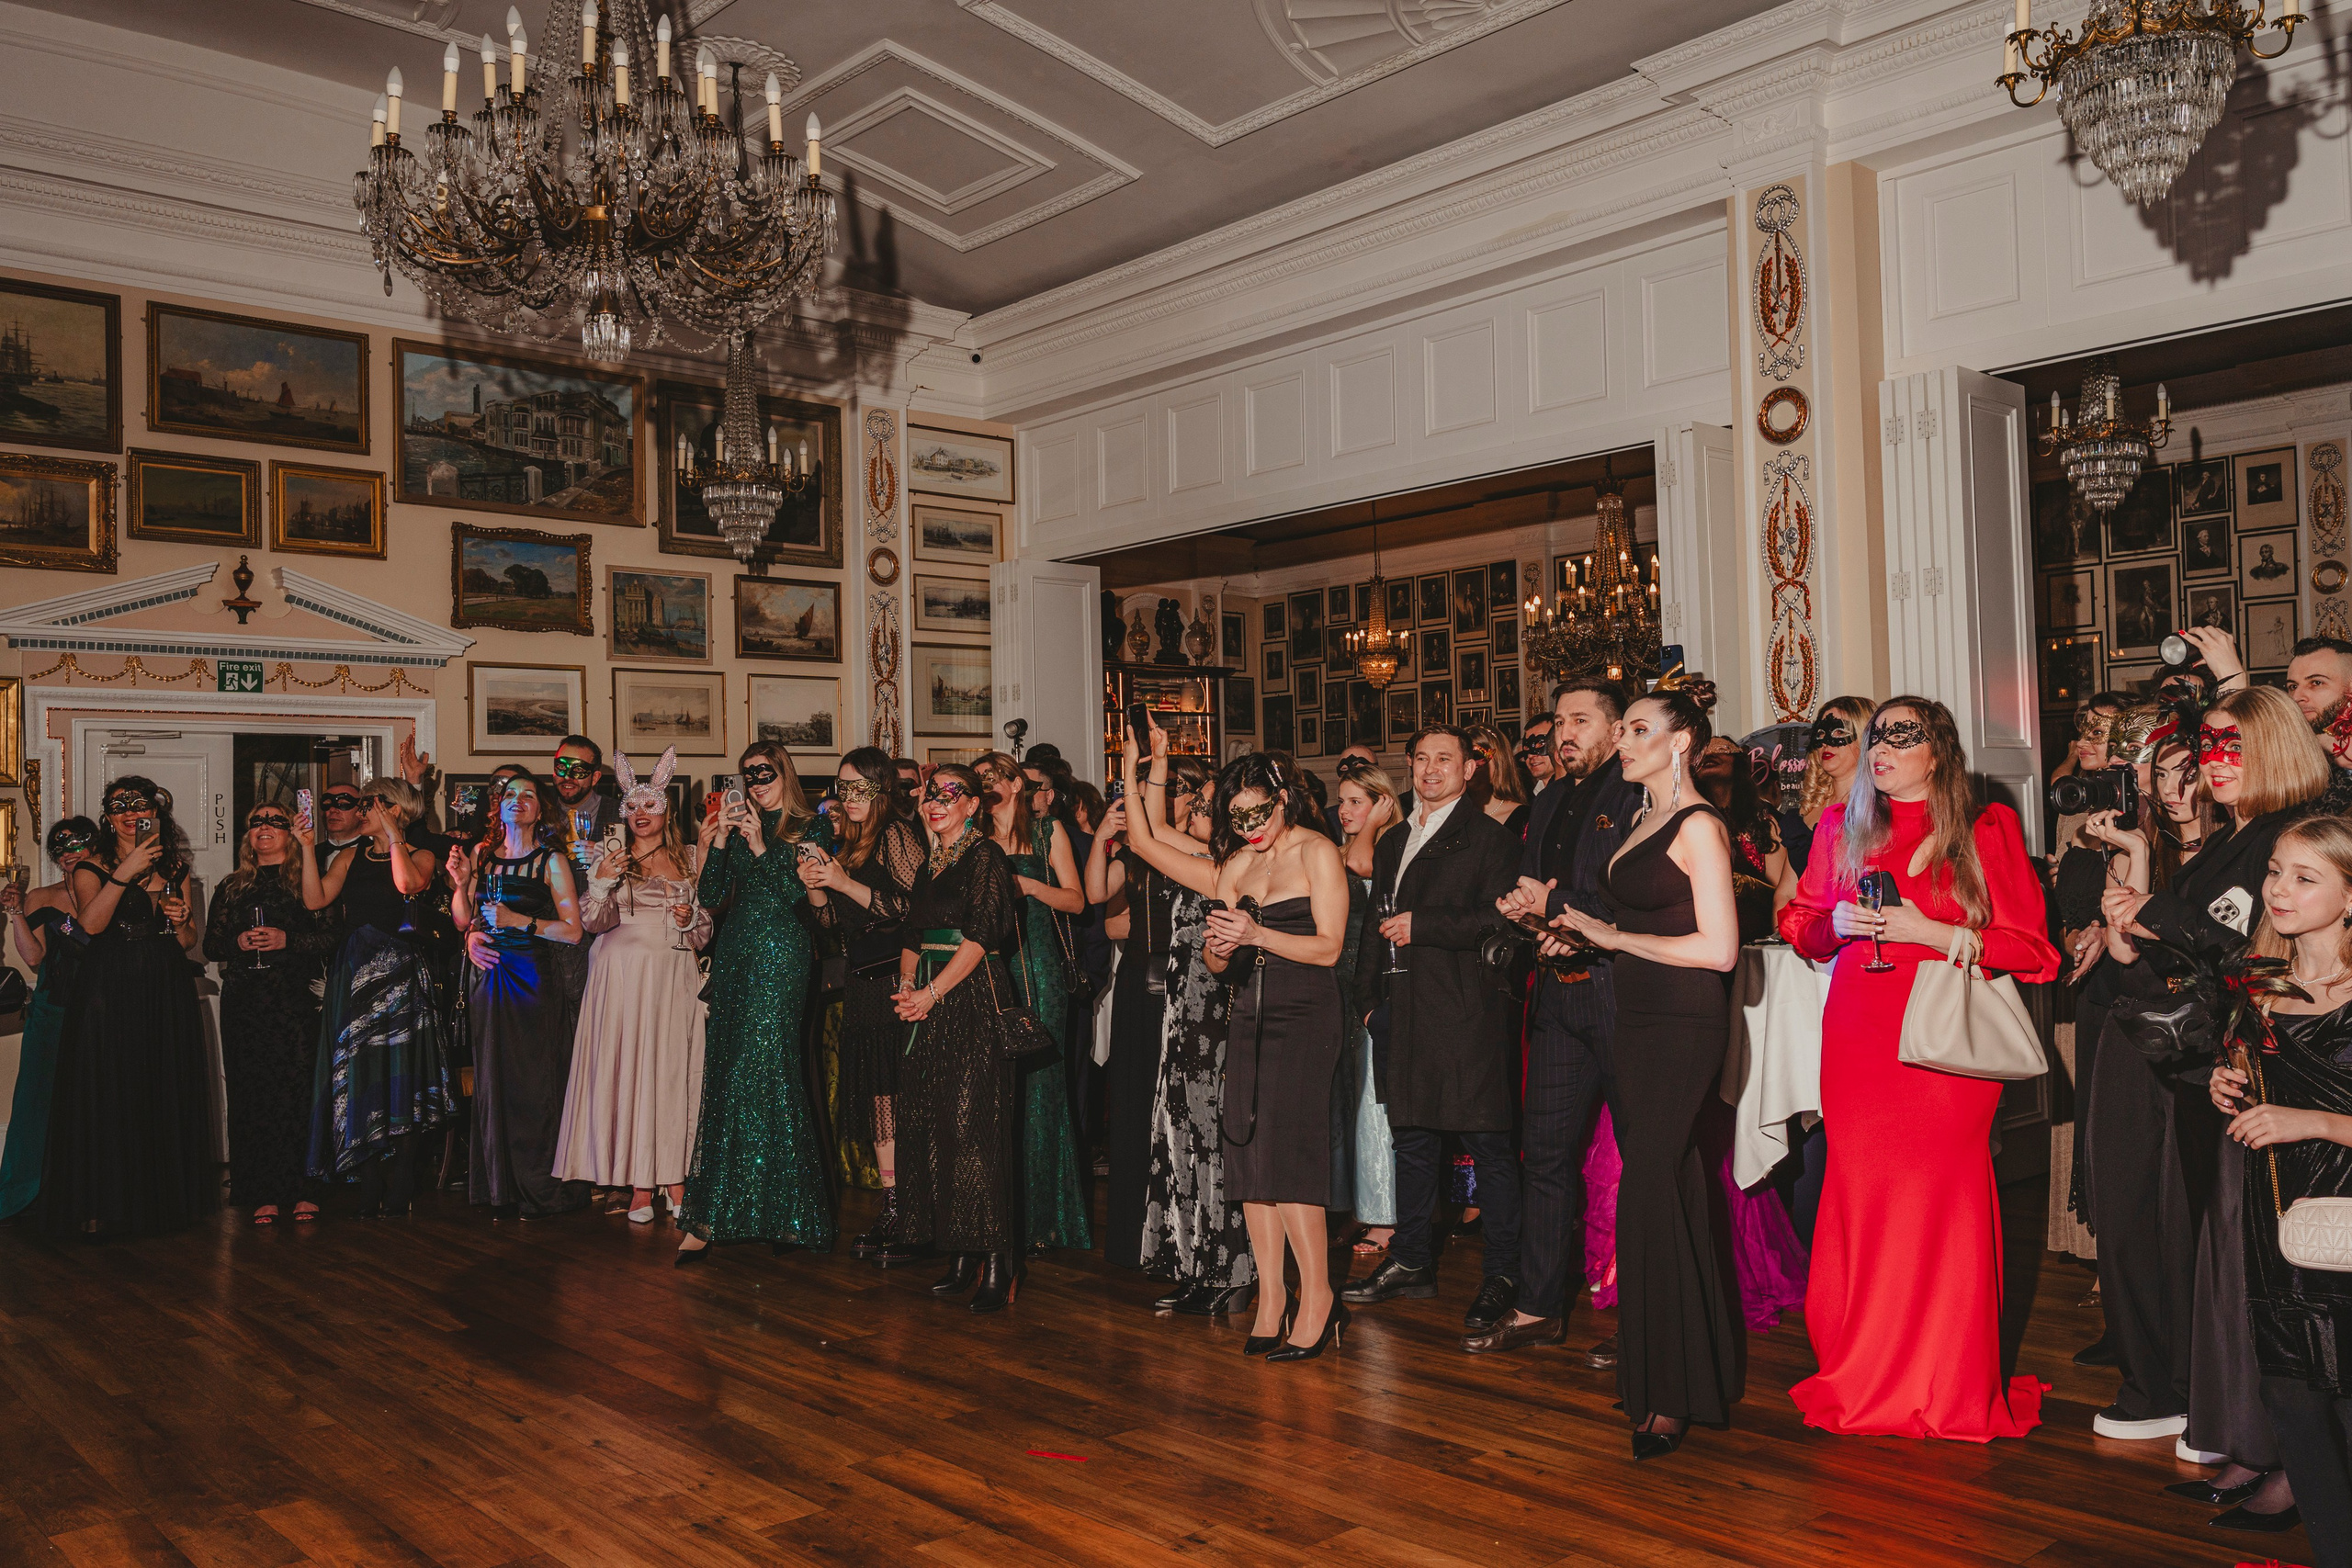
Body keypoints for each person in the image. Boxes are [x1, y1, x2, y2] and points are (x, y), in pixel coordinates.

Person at [1776, 696, 2060, 1439]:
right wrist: (1829, 925)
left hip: (1943, 1052)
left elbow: (2034, 951)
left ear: (1940, 752)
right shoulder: (1842, 827)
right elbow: (1799, 923)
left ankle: (1945, 1379)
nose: (1883, 746)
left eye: (1905, 734)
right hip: (1860, 1040)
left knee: (1940, 1203)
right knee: (1863, 1196)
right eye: (1879, 734)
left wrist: (1931, 931)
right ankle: (1864, 1369)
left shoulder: (1983, 828)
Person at [2092, 684, 2329, 1454]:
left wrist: (2163, 914)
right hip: (2188, 1062)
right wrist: (2138, 928)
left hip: (2255, 1075)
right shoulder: (2234, 838)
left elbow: (2267, 968)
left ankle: (2243, 1425)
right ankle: (2197, 1405)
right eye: (2209, 746)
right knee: (2174, 1244)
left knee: (2241, 1257)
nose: (2213, 764)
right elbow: (2193, 966)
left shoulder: (2293, 837)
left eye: (2234, 746)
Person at [1541, 691, 1741, 1456]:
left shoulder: (1698, 827)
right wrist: (1583, 939)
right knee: (1674, 1185)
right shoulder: (1638, 819)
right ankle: (1696, 1369)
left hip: (1686, 1022)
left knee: (1647, 1190)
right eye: (1620, 728)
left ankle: (1666, 1392)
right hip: (1636, 1017)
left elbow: (1718, 949)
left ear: (1682, 740)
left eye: (1639, 729)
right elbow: (1636, 928)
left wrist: (1612, 935)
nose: (1622, 741)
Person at [1478, 680, 1643, 1361]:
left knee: (1643, 1160)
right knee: (1545, 1156)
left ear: (1615, 728)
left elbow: (1628, 891)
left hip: (1617, 992)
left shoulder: (1636, 793)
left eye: (1581, 720)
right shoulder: (1544, 802)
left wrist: (1558, 909)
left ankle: (1643, 1317)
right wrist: (1525, 909)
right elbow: (1534, 884)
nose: (1562, 732)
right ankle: (1539, 1305)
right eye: (1557, 723)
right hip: (1555, 996)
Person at [1343, 727, 1522, 1338]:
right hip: (1401, 1013)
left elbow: (1502, 918)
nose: (1430, 769)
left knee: (1490, 1148)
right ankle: (1412, 1258)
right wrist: (1367, 1003)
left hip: (1466, 1014)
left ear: (1470, 768)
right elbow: (1373, 923)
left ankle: (1501, 1274)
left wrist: (1428, 925)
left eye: (1444, 759)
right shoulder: (1394, 839)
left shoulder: (1491, 838)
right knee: (1412, 1143)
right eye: (1421, 759)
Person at [2213, 816, 2352, 1568]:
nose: (2279, 888)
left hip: (2349, 1219)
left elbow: (2312, 1111)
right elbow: (2255, 1087)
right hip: (2276, 1222)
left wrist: (2316, 1121)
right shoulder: (2255, 982)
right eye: (2275, 870)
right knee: (2295, 1404)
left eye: (2305, 876)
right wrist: (2227, 1084)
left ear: (2351, 895)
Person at [1203, 750, 1351, 1360]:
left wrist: (1258, 932)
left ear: (1282, 796)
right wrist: (1221, 942)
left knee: (1289, 1158)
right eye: (1239, 818)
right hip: (1249, 1013)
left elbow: (1331, 947)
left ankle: (1317, 1297)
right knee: (1248, 1157)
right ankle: (1271, 1297)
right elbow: (1216, 963)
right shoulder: (1235, 864)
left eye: (1260, 811)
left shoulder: (1317, 851)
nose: (1252, 826)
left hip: (1308, 1010)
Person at [672, 742, 834, 1261]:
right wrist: (717, 840)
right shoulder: (740, 827)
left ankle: (790, 1212)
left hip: (783, 958)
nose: (757, 782)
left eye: (765, 773)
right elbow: (714, 894)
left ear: (783, 772)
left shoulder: (813, 828)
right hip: (738, 953)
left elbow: (796, 896)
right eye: (748, 775)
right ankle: (722, 1213)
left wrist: (762, 844)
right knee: (727, 1073)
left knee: (770, 1070)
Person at [1123, 737, 1259, 1314]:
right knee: (1181, 1140)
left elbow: (1141, 839)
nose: (1196, 812)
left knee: (1214, 1145)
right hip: (1182, 1020)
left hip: (1216, 1025)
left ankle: (1233, 1270)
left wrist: (1136, 773)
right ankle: (1196, 1264)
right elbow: (1152, 828)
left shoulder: (1228, 871)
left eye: (1206, 805)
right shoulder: (1206, 862)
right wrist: (1151, 765)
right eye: (1197, 804)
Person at [40, 777, 210, 1237]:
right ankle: (104, 1203)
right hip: (109, 988)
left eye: (138, 806)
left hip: (163, 985)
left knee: (159, 1083)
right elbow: (90, 926)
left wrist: (182, 921)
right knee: (110, 1088)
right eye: (118, 806)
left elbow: (189, 942)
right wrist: (125, 870)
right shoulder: (90, 868)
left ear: (155, 813)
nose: (128, 814)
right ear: (108, 816)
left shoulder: (174, 867)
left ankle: (157, 1202)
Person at [552, 748, 711, 1226]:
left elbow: (705, 932)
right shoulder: (608, 855)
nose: (641, 815)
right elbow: (593, 922)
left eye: (650, 806)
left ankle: (676, 1177)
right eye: (632, 807)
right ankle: (641, 1185)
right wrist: (599, 882)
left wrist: (689, 920)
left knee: (671, 1075)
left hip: (673, 977)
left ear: (666, 811)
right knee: (632, 1075)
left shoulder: (689, 858)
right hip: (620, 980)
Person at [893, 765, 1024, 1310]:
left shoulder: (985, 856)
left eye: (951, 794)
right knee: (936, 1128)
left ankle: (999, 1258)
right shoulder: (930, 863)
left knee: (975, 1130)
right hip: (927, 1002)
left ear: (973, 805)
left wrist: (932, 994)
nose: (936, 803)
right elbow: (913, 936)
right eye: (931, 794)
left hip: (968, 1000)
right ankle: (961, 1252)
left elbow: (981, 936)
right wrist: (906, 986)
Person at [303, 777, 454, 1216]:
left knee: (401, 1067)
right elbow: (316, 900)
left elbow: (408, 885)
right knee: (358, 1068)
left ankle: (403, 1175)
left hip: (400, 972)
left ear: (395, 809)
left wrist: (394, 837)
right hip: (353, 972)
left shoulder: (421, 854)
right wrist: (305, 845)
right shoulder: (349, 856)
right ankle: (368, 1177)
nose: (361, 810)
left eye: (371, 804)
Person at [449, 773, 588, 1221]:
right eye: (511, 794)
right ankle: (500, 1188)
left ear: (539, 808)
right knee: (493, 1079)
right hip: (488, 979)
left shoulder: (552, 861)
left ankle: (541, 1188)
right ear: (499, 805)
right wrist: (468, 929)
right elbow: (464, 920)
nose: (519, 800)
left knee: (533, 1081)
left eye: (528, 794)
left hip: (532, 979)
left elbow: (572, 931)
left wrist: (518, 921)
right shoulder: (481, 857)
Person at [804, 747, 924, 1258]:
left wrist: (842, 882)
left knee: (903, 1100)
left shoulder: (896, 834)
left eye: (859, 788)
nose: (847, 797)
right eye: (842, 787)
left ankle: (916, 1209)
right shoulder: (846, 843)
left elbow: (914, 907)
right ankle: (894, 1205)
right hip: (861, 988)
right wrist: (815, 887)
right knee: (879, 1104)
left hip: (898, 984)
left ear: (880, 790)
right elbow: (834, 930)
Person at [975, 750, 1090, 1252]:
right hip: (988, 969)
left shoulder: (1048, 834)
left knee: (1042, 1091)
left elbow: (1077, 900)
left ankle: (1047, 1219)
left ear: (1016, 785)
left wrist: (1031, 886)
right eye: (977, 780)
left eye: (991, 777)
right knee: (997, 1093)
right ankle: (1001, 1217)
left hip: (1038, 968)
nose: (984, 785)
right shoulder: (974, 841)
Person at [205, 800, 337, 1224]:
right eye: (256, 820)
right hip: (245, 1002)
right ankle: (259, 1189)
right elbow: (211, 945)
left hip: (295, 1002)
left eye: (275, 821)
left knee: (297, 1092)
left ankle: (301, 1187)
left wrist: (288, 941)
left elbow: (331, 938)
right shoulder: (231, 886)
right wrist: (238, 944)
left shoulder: (306, 881)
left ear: (291, 832)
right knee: (252, 1092)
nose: (264, 826)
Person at [1084, 771, 1181, 1272]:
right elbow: (1097, 900)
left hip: (1183, 984)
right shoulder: (1134, 858)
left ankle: (1180, 1241)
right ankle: (1133, 1241)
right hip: (1138, 982)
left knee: (1175, 1110)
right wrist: (1103, 835)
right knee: (1135, 1106)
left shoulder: (1202, 854)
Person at [0, 818, 97, 1219]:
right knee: (39, 1099)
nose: (70, 851)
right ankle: (31, 1191)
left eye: (79, 842)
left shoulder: (115, 891)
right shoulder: (43, 895)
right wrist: (15, 911)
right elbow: (35, 958)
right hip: (53, 1008)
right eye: (61, 847)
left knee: (95, 1098)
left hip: (103, 1007)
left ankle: (94, 1191)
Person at [1331, 756, 1402, 1256]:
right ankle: (1358, 1207)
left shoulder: (1390, 850)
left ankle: (1385, 1217)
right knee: (1349, 1100)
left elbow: (1360, 867)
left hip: (1376, 987)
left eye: (1356, 801)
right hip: (1339, 983)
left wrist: (1375, 821)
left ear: (1382, 804)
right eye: (1341, 802)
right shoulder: (1341, 849)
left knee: (1374, 1103)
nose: (1343, 810)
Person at [1785, 696, 1875, 875]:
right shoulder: (1808, 810)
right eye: (1820, 734)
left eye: (1839, 732)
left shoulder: (1877, 810)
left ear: (1864, 739)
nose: (1826, 742)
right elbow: (1787, 890)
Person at [1467, 724, 1531, 836]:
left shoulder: (1524, 818)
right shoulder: (1450, 816)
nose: (1469, 765)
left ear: (1499, 760)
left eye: (1476, 755)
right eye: (1463, 758)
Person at [1520, 716, 1556, 795]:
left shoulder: (1578, 793)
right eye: (1527, 747)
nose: (1530, 755)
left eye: (1540, 744)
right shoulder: (1526, 797)